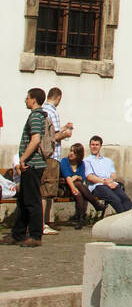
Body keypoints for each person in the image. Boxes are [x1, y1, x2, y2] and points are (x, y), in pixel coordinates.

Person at [11, 89, 49, 246]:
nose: (25, 100)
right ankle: (17, 234)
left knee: (32, 201)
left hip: (32, 164)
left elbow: (35, 140)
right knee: (23, 200)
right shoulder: (39, 116)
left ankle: (35, 235)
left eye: (27, 98)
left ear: (34, 100)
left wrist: (22, 159)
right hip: (32, 164)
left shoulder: (35, 116)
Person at [41, 86, 73, 234]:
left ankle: (47, 221)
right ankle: (43, 223)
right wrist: (65, 134)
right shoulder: (52, 112)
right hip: (52, 156)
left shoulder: (44, 109)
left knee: (48, 190)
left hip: (48, 156)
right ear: (59, 97)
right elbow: (52, 137)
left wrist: (63, 128)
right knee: (47, 189)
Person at [82, 136, 132, 214]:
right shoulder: (86, 161)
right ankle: (123, 220)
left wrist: (110, 181)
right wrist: (105, 182)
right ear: (89, 146)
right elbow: (90, 177)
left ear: (100, 146)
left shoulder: (108, 161)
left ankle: (131, 220)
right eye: (93, 145)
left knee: (125, 199)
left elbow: (113, 175)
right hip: (97, 186)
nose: (94, 147)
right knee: (116, 200)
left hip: (111, 184)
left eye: (96, 145)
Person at [59, 142, 103, 229]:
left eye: (74, 152)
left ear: (79, 155)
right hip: (64, 187)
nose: (71, 153)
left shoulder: (81, 164)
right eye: (71, 151)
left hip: (77, 187)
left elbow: (82, 177)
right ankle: (95, 204)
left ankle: (80, 220)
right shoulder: (64, 161)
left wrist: (76, 177)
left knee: (79, 192)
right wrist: (73, 187)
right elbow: (67, 177)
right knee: (78, 185)